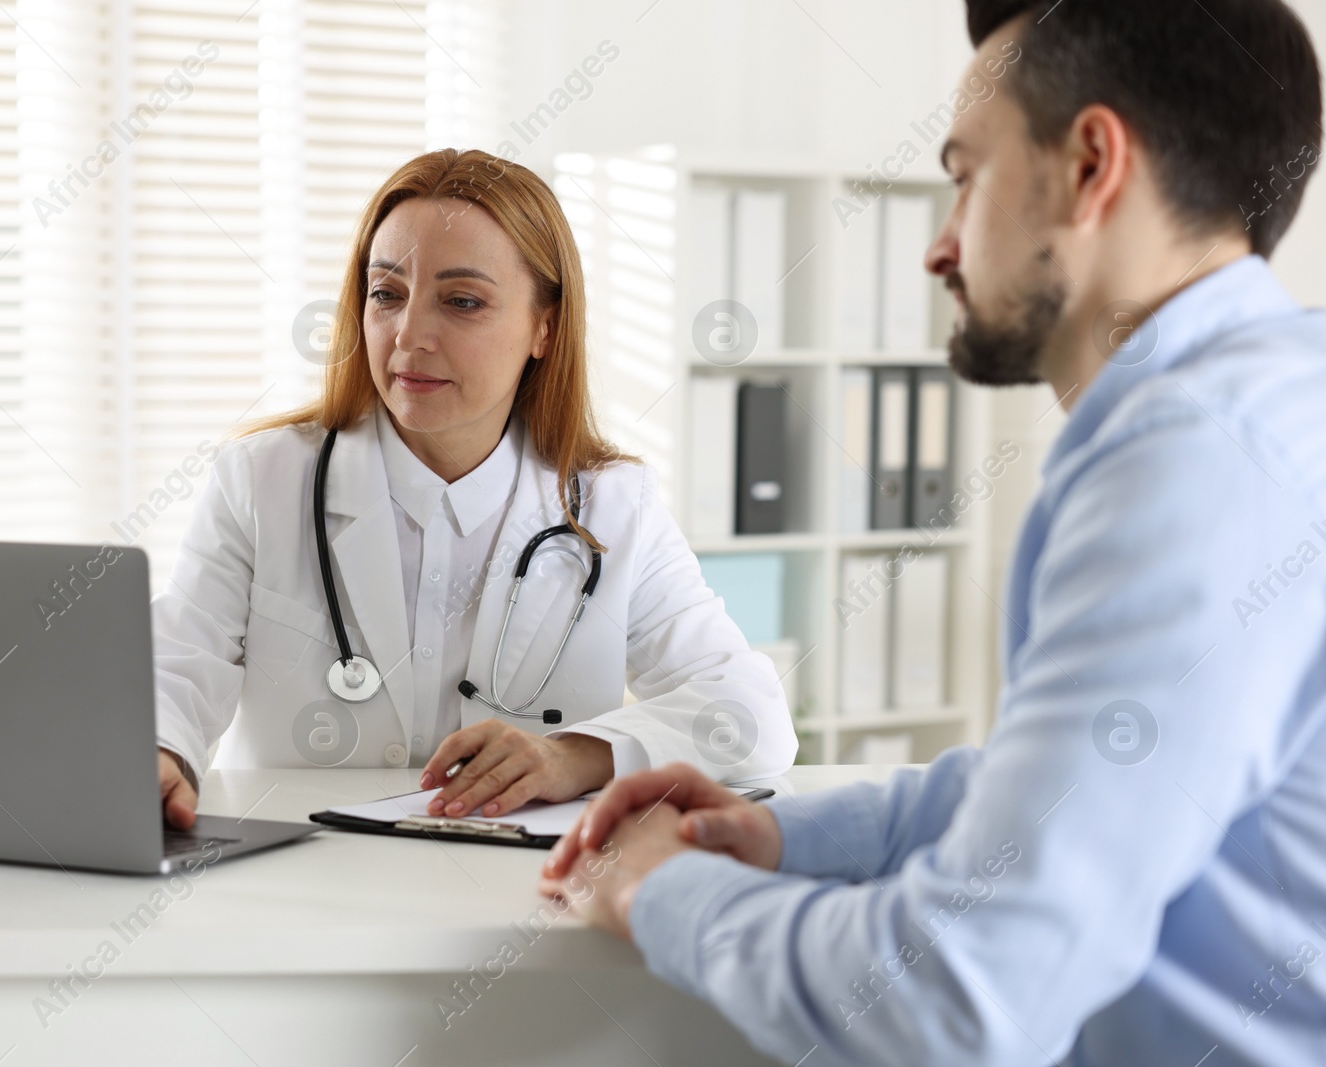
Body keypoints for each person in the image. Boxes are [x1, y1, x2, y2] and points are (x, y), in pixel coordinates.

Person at [540, 1, 1326, 1064]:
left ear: (1091, 163)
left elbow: (960, 994)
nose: (939, 247)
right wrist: (781, 833)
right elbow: (1079, 778)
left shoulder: (1191, 457)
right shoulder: (1279, 399)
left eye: (965, 175)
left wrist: (662, 891)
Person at [152, 148, 796, 829]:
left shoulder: (610, 505)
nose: (410, 335)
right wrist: (161, 751)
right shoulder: (264, 479)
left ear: (544, 326)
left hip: (520, 900)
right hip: (301, 889)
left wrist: (575, 755)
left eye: (462, 302)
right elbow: (178, 664)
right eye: (386, 293)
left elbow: (750, 714)